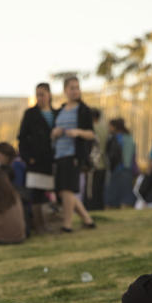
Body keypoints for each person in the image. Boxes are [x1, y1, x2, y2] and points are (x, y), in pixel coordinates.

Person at [51, 76, 96, 232]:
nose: (75, 91)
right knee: (63, 190)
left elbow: (91, 134)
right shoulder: (60, 110)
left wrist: (78, 132)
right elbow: (53, 133)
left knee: (68, 189)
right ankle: (87, 220)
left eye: (77, 87)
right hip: (60, 154)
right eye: (72, 88)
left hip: (73, 154)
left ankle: (67, 224)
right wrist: (54, 133)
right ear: (65, 90)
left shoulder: (83, 110)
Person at [17, 82, 56, 234]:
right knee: (37, 194)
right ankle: (39, 226)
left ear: (49, 95)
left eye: (43, 94)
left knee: (49, 193)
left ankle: (51, 222)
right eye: (37, 95)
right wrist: (28, 157)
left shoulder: (56, 113)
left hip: (50, 160)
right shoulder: (30, 114)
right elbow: (22, 137)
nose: (40, 98)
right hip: (35, 161)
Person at [105, 118, 136, 208]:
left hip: (118, 168)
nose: (108, 128)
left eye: (110, 126)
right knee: (125, 190)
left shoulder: (115, 138)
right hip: (127, 168)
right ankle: (124, 205)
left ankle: (114, 205)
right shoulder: (129, 138)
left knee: (115, 190)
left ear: (115, 127)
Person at [85, 108, 108, 211]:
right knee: (100, 189)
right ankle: (100, 207)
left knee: (91, 190)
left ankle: (91, 208)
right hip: (103, 162)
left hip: (93, 163)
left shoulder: (90, 129)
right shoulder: (105, 128)